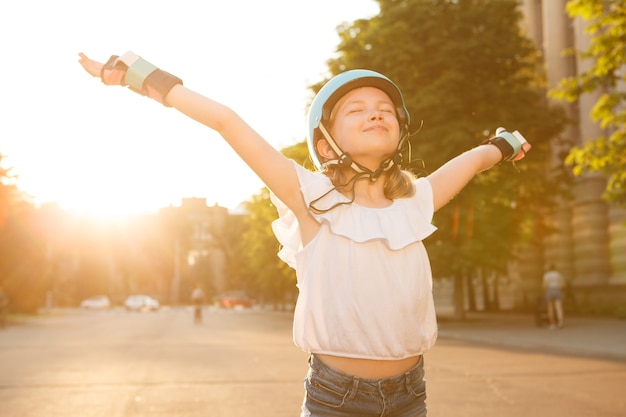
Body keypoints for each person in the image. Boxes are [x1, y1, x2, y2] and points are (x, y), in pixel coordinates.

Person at [78, 51, 531, 417]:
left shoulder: (414, 203)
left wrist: (500, 145)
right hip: (337, 400)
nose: (376, 115)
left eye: (385, 111)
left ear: (400, 131)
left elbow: (467, 163)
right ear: (324, 144)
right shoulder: (310, 198)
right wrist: (137, 76)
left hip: (411, 396)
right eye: (357, 110)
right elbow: (226, 121)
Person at [543, 264, 565, 329]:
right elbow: (562, 284)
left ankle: (552, 324)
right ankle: (560, 322)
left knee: (550, 307)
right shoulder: (558, 274)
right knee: (558, 307)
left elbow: (544, 284)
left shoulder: (547, 275)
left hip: (550, 290)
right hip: (557, 290)